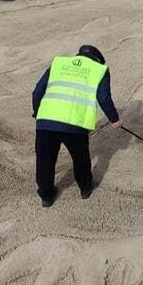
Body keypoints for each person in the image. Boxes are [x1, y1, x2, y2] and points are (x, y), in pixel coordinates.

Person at [32, 45, 122, 207]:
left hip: (46, 121)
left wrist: (38, 113)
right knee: (80, 158)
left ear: (78, 55)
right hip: (74, 123)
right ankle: (85, 188)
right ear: (98, 60)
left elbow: (37, 92)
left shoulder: (58, 64)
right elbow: (103, 98)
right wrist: (114, 119)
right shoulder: (99, 70)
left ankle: (46, 196)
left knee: (44, 160)